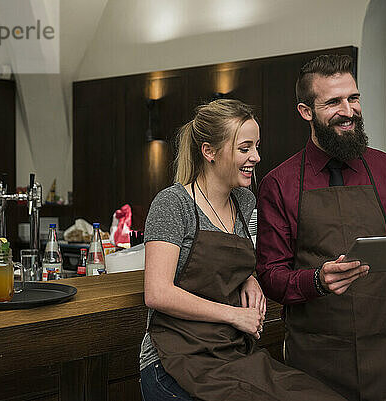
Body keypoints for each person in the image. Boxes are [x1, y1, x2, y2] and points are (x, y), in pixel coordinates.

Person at [255, 54, 386, 401]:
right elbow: (269, 276)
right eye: (333, 102)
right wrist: (316, 280)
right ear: (306, 111)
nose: (349, 110)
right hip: (316, 364)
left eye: (353, 98)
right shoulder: (279, 183)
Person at [140, 99, 346, 401]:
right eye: (245, 148)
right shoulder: (173, 204)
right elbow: (157, 293)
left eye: (257, 146)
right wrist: (234, 316)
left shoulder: (245, 201)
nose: (256, 157)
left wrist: (249, 278)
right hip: (172, 358)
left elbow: (237, 260)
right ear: (209, 152)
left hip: (228, 352)